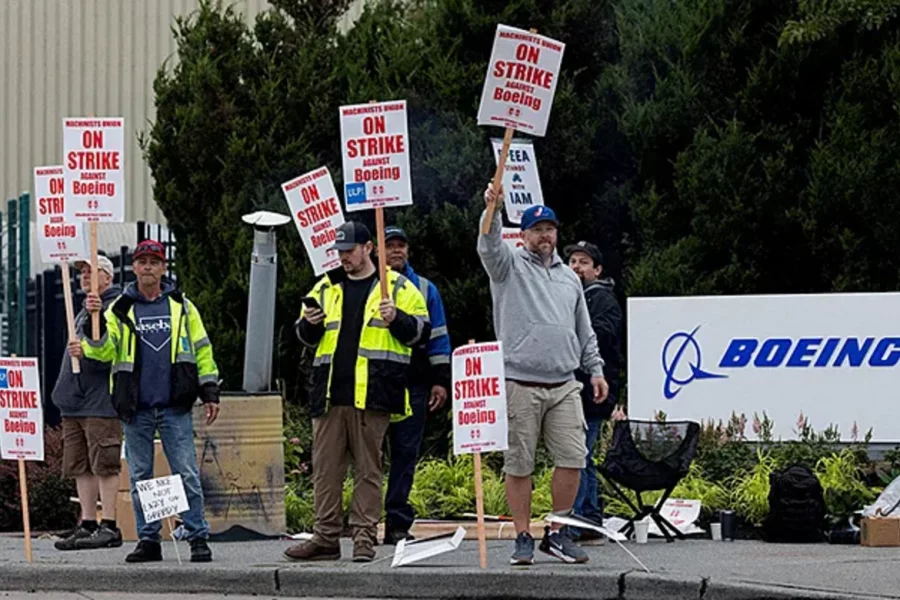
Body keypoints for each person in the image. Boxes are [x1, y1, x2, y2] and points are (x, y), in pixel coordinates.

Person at [284, 222, 431, 563]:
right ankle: (325, 538)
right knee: (325, 470)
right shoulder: (326, 286)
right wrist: (309, 322)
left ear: (368, 248)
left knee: (369, 470)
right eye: (340, 251)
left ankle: (364, 537)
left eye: (349, 250)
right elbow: (303, 336)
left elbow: (422, 334)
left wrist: (397, 318)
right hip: (330, 395)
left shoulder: (397, 287)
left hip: (374, 393)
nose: (344, 257)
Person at [478, 187, 608, 566]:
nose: (545, 236)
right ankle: (522, 535)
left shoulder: (570, 278)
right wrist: (493, 209)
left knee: (573, 458)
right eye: (537, 229)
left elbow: (584, 329)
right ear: (523, 235)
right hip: (519, 381)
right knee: (519, 463)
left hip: (566, 383)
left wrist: (596, 369)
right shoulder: (506, 266)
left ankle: (557, 533)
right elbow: (488, 243)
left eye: (550, 229)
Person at [80, 239, 220, 564]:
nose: (147, 267)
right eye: (142, 262)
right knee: (142, 476)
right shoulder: (119, 309)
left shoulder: (182, 306)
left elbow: (202, 349)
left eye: (153, 262)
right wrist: (94, 323)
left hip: (174, 405)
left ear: (162, 268)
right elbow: (102, 353)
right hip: (136, 406)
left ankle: (198, 535)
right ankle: (149, 539)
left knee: (186, 472)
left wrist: (209, 391)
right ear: (135, 268)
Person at [382, 225, 452, 544]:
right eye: (390, 245)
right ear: (376, 250)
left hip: (413, 383)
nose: (397, 251)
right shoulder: (367, 284)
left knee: (405, 454)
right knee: (368, 456)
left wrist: (440, 380)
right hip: (373, 383)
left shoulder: (425, 288)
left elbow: (438, 337)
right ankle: (364, 523)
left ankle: (397, 523)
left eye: (401, 246)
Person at [52, 255, 123, 550]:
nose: (84, 276)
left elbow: (111, 348)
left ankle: (109, 524)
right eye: (81, 272)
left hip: (100, 400)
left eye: (92, 271)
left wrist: (93, 339)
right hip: (75, 401)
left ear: (107, 277)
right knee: (80, 464)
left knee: (104, 463)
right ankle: (88, 521)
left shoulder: (114, 308)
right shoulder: (82, 311)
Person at [564, 241, 623, 539]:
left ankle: (578, 520)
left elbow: (599, 335)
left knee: (578, 455)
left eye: (584, 262)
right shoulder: (572, 297)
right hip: (577, 388)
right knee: (582, 455)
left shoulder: (601, 299)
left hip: (593, 390)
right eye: (572, 261)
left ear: (597, 270)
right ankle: (589, 517)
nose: (576, 267)